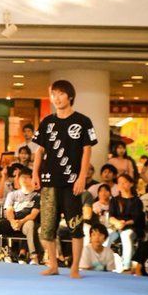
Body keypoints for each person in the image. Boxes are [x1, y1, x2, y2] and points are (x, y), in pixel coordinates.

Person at [31, 79, 98, 278]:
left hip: (72, 183)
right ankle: (53, 265)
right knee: (47, 228)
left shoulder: (83, 121)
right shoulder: (47, 122)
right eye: (54, 94)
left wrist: (81, 177)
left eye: (60, 94)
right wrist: (35, 173)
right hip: (49, 181)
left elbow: (87, 151)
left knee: (75, 226)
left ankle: (75, 267)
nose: (57, 98)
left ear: (70, 96)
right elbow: (39, 151)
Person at [0, 169, 41, 264]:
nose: (24, 179)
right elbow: (9, 210)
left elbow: (33, 215)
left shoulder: (37, 196)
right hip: (12, 222)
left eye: (27, 177)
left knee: (30, 224)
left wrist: (21, 222)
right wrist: (12, 221)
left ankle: (34, 256)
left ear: (33, 179)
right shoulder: (12, 194)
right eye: (22, 177)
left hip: (26, 223)